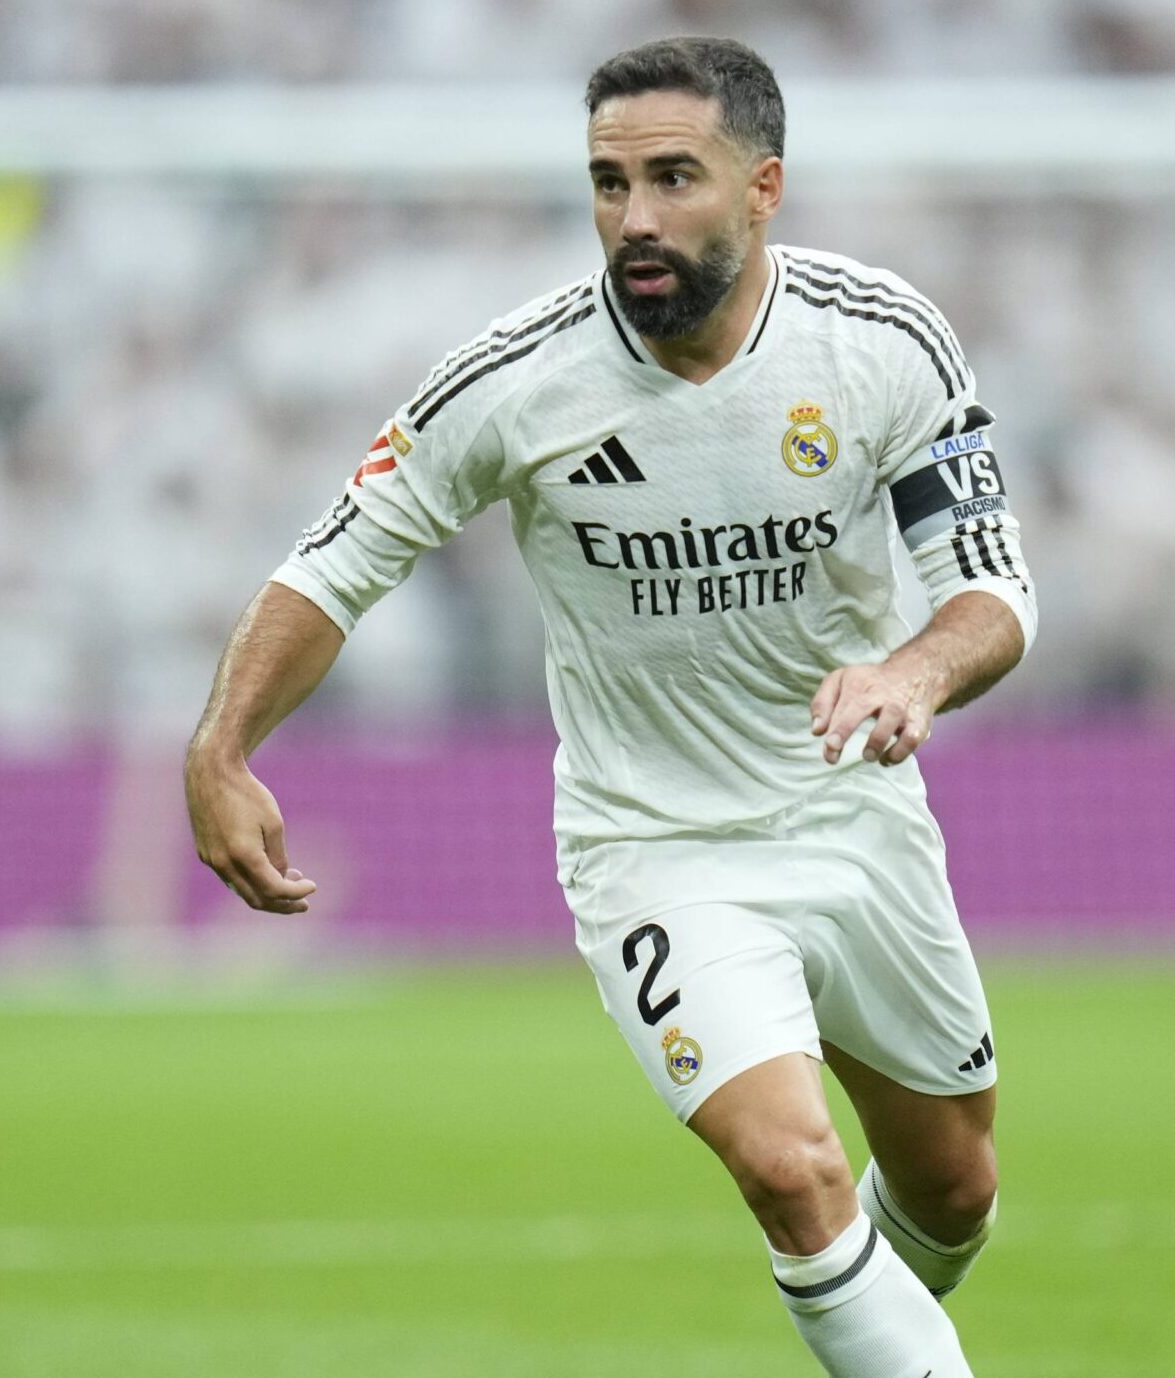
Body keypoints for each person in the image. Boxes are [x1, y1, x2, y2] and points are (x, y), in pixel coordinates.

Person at [184, 36, 1035, 1377]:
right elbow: (334, 563)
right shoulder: (514, 382)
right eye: (607, 182)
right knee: (792, 1166)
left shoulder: (879, 342)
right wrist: (222, 741)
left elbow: (993, 593)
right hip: (657, 847)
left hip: (856, 819)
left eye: (672, 178)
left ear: (761, 189)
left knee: (952, 1188)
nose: (634, 218)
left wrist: (908, 673)